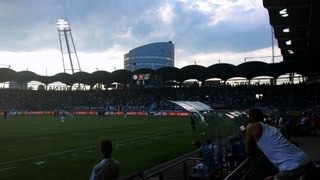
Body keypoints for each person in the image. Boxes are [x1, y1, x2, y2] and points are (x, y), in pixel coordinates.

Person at [245, 108, 315, 180]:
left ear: (251, 117)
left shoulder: (251, 127)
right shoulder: (272, 128)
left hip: (291, 167)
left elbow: (249, 150)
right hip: (305, 161)